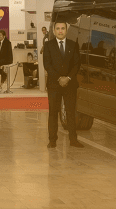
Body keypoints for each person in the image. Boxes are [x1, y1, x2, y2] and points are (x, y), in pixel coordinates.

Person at [45, 20, 83, 149]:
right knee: (53, 113)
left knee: (71, 112)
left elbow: (77, 64)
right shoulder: (49, 45)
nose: (60, 31)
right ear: (54, 31)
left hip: (70, 84)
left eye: (63, 28)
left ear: (66, 30)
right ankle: (52, 140)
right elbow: (47, 65)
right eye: (58, 29)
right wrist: (59, 78)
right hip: (54, 85)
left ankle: (73, 139)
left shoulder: (73, 45)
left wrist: (67, 78)